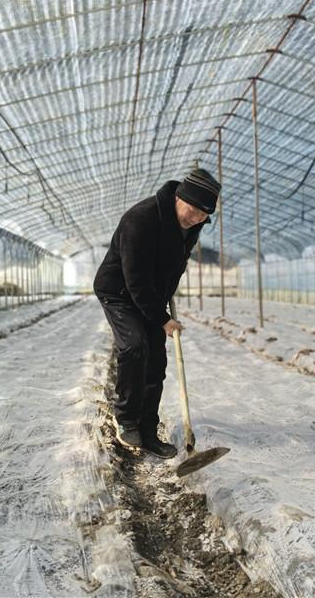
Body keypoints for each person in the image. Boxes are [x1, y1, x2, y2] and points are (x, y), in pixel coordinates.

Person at [93, 168, 220, 458]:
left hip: (150, 293)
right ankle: (125, 419)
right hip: (119, 291)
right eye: (193, 210)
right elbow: (135, 279)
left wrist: (162, 300)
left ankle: (148, 430)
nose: (196, 218)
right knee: (135, 345)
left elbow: (175, 265)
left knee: (156, 361)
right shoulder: (140, 220)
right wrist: (162, 319)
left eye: (203, 215)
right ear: (179, 197)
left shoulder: (191, 225)